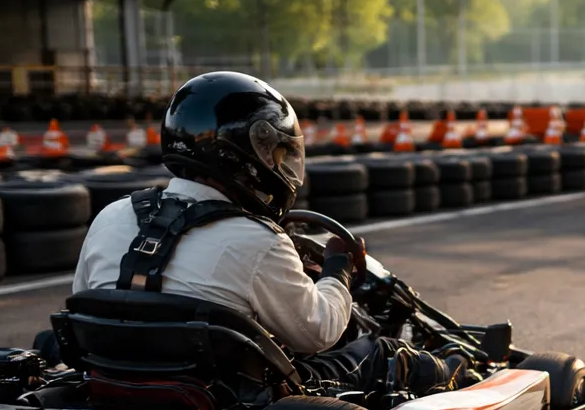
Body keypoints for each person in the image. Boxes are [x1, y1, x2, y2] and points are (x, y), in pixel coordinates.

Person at [70, 71, 460, 392]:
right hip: (221, 396)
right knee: (379, 350)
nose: (280, 165)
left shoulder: (112, 214)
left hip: (111, 381)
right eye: (276, 152)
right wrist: (337, 269)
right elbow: (318, 332)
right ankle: (457, 370)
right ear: (244, 152)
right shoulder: (256, 239)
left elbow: (83, 300)